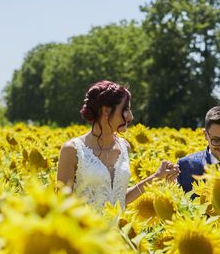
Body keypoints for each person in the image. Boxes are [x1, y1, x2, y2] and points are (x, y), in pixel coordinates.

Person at [57, 80, 179, 210]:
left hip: (116, 230)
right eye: (125, 109)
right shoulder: (72, 150)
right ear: (106, 110)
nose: (131, 117)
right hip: (84, 230)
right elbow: (62, 206)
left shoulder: (124, 147)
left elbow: (119, 200)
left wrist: (156, 177)